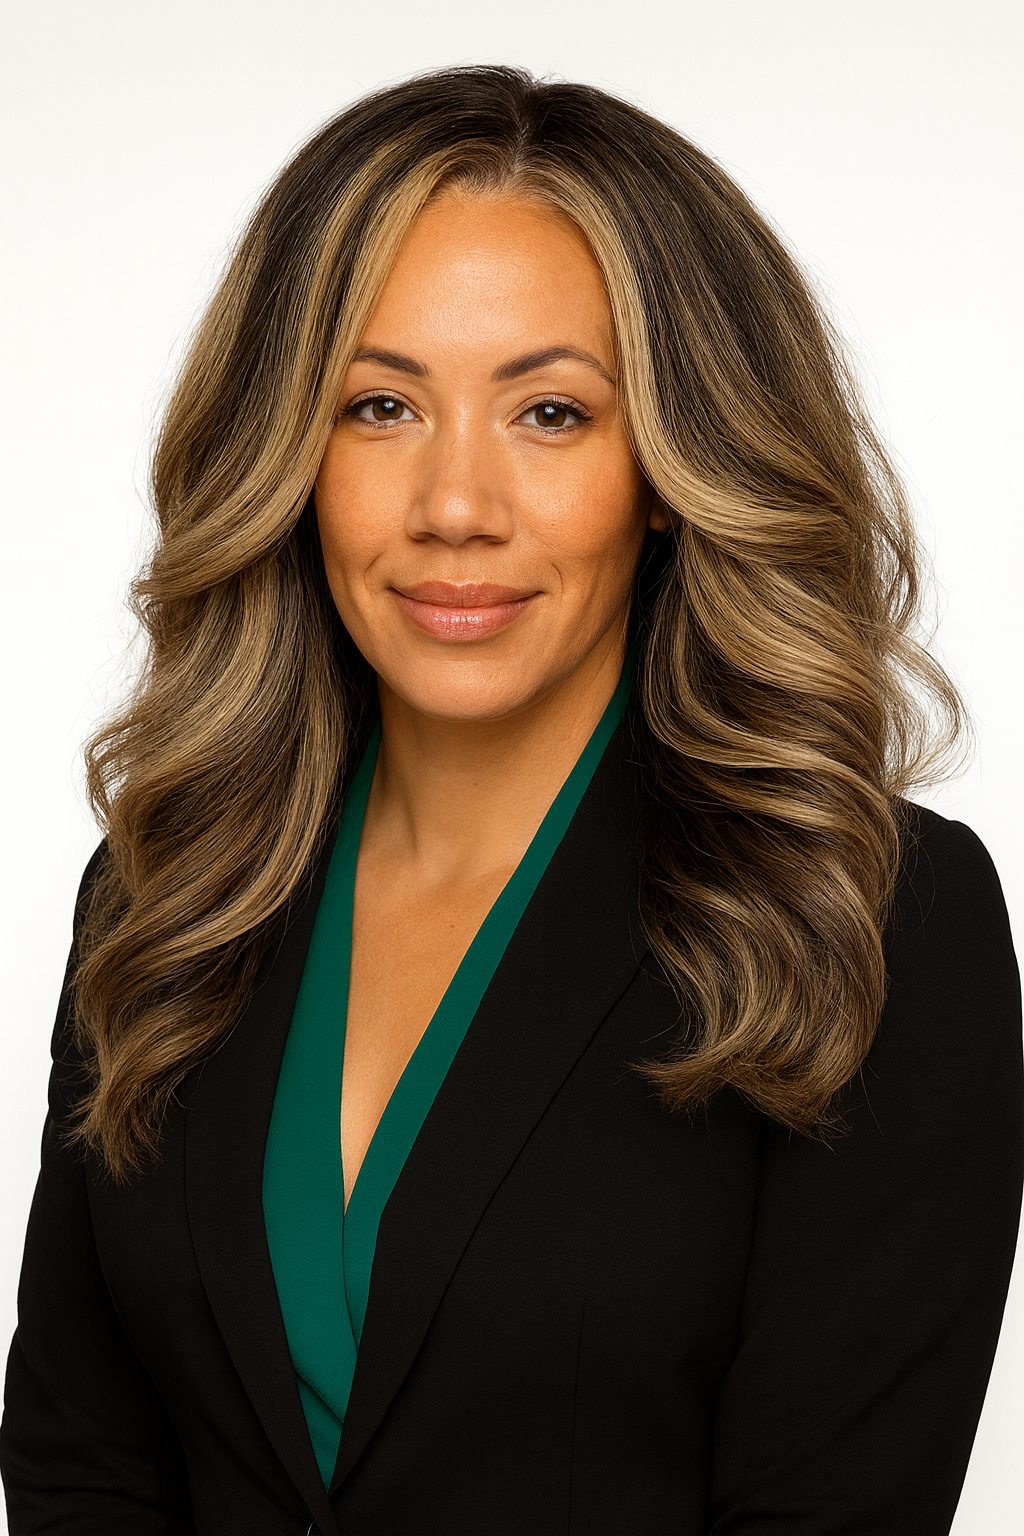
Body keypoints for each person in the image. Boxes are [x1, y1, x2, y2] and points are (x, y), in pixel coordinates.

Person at [1, 63, 1021, 1536]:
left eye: (550, 412)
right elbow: (80, 1464)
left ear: (668, 467)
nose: (456, 504)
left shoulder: (868, 920)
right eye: (378, 406)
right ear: (291, 452)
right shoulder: (170, 889)